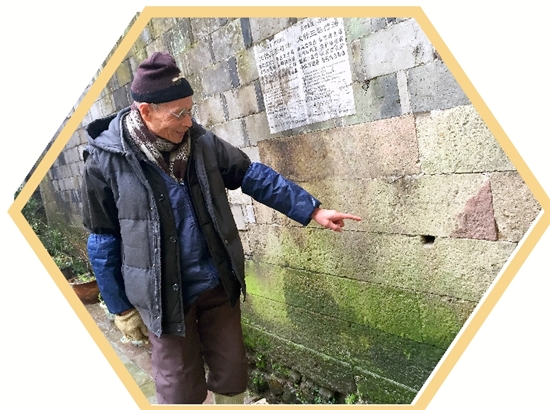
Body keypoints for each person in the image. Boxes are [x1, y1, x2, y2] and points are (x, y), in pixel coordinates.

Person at [81, 51, 361, 405]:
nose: (189, 121)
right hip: (162, 298)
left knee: (232, 374)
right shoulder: (104, 161)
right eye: (179, 113)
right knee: (179, 390)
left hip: (215, 284)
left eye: (191, 110)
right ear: (146, 111)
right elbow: (102, 239)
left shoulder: (201, 142)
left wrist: (313, 210)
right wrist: (120, 307)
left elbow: (250, 174)